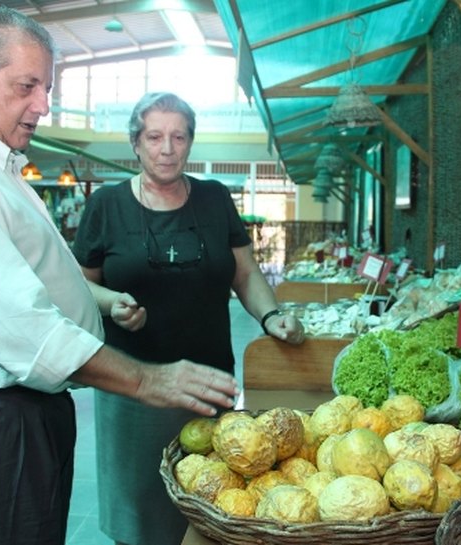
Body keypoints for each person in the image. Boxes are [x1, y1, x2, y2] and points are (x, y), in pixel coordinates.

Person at [0, 7, 238, 545]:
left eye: (46, 88)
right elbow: (23, 331)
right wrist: (148, 378)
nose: (43, 105)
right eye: (27, 86)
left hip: (24, 409)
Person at [71, 91, 305, 545]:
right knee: (140, 510)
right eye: (155, 136)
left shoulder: (215, 199)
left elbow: (244, 272)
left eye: (178, 136)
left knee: (211, 501)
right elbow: (79, 282)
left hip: (208, 381)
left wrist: (271, 314)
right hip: (133, 384)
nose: (167, 148)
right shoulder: (107, 204)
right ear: (136, 143)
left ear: (190, 143)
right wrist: (111, 301)